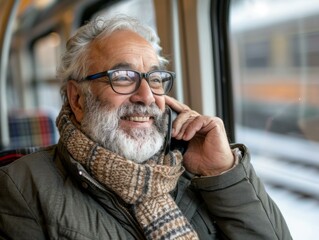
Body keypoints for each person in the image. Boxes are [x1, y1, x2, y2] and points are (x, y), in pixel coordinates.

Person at [0, 15, 292, 240]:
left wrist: (223, 174)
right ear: (77, 99)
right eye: (124, 76)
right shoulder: (20, 186)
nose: (147, 96)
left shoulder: (193, 166)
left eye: (154, 78)